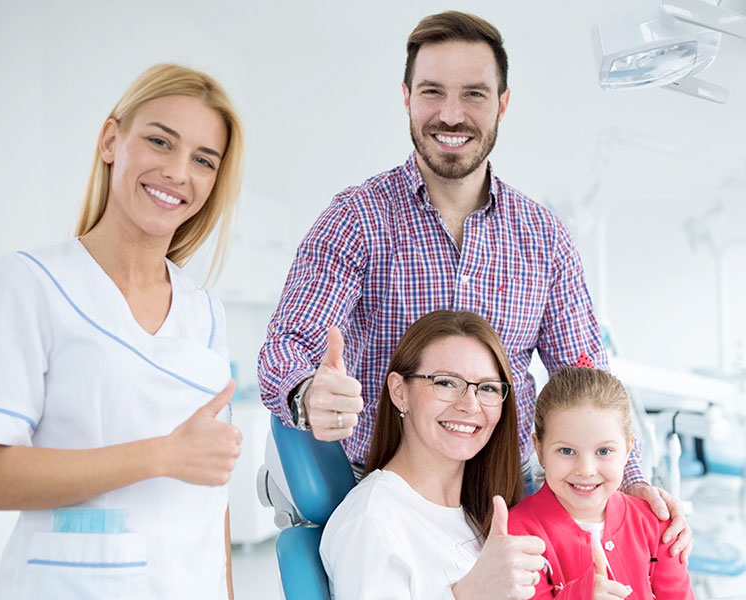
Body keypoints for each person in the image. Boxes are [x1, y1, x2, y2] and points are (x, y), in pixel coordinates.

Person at [258, 10, 691, 559]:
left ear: (502, 104)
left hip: (504, 492)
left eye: (474, 94)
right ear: (407, 97)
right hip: (389, 490)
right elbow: (285, 349)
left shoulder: (543, 237)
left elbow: (585, 379)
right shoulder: (356, 219)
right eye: (433, 91)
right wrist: (307, 393)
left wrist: (628, 479)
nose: (452, 114)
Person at [0, 64, 244, 599]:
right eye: (161, 141)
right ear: (111, 140)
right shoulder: (27, 282)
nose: (179, 172)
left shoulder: (205, 311)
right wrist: (161, 455)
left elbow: (211, 493)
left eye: (204, 160)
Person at [320, 310, 546, 599]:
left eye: (488, 388)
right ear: (399, 391)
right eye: (446, 382)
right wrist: (468, 594)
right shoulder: (373, 521)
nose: (470, 405)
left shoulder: (478, 513)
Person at [508, 367, 695, 599]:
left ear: (628, 451)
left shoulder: (657, 525)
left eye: (604, 451)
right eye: (566, 451)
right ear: (539, 449)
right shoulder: (517, 532)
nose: (586, 470)